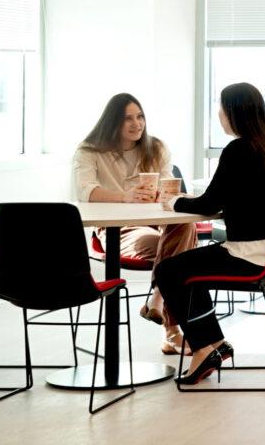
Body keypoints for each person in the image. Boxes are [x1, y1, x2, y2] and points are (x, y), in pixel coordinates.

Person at [155, 82, 265, 385]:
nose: (219, 114)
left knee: (168, 270)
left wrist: (174, 201)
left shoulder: (239, 149)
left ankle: (203, 348)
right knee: (189, 268)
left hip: (247, 255)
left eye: (221, 107)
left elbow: (211, 202)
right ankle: (215, 343)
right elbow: (229, 197)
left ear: (234, 112)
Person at [72, 93, 198, 354]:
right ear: (112, 122)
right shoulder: (89, 150)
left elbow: (166, 189)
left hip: (158, 224)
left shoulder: (157, 148)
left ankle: (158, 298)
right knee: (180, 253)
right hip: (118, 228)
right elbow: (86, 191)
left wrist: (178, 198)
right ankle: (171, 330)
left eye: (140, 116)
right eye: (128, 118)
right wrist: (124, 197)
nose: (136, 123)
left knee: (186, 227)